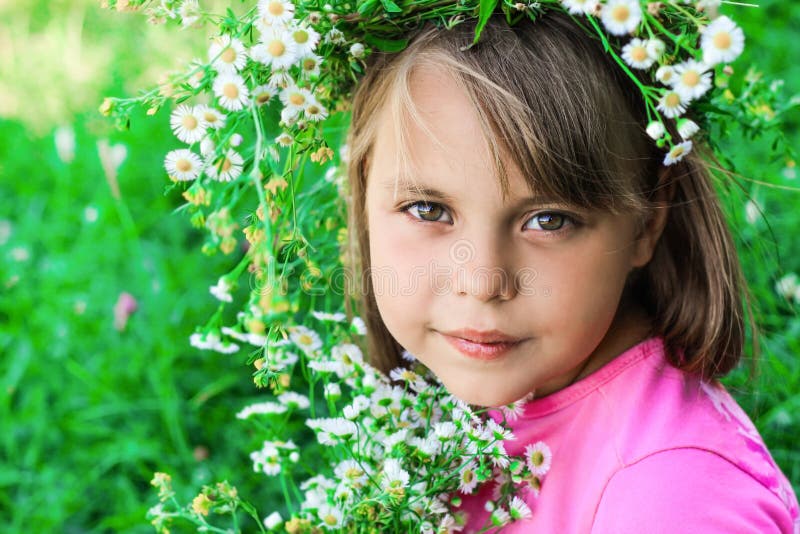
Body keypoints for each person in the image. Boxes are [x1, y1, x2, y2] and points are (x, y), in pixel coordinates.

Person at [340, 10, 800, 533]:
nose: (483, 282)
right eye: (428, 209)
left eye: (548, 220)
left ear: (648, 222)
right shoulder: (445, 405)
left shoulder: (669, 498)